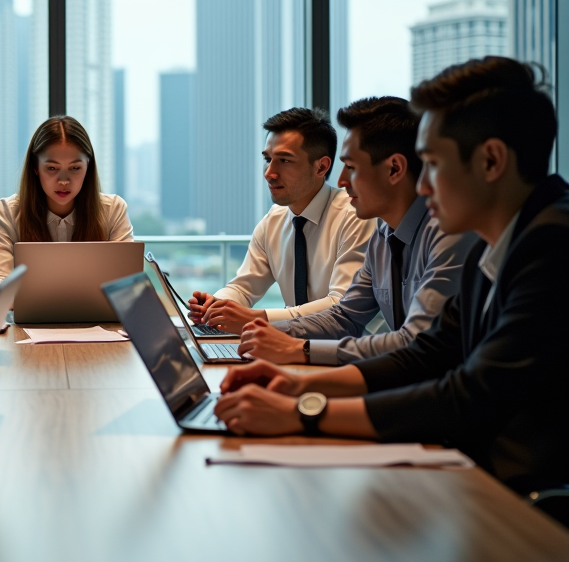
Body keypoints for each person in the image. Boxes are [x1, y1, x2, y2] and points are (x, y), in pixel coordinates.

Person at [214, 58, 568, 494]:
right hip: (481, 474)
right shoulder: (498, 241)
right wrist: (293, 385)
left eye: (433, 164)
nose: (422, 187)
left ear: (491, 161)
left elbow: (468, 395)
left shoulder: (551, 245)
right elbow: (430, 352)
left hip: (528, 501)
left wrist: (305, 410)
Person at [238, 96, 476, 365]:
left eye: (351, 167)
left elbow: (417, 340)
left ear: (395, 169)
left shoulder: (449, 234)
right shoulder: (383, 237)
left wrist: (301, 350)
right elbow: (345, 317)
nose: (340, 181)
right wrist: (262, 333)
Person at [189, 107, 375, 334]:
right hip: (290, 346)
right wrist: (216, 305)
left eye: (284, 160)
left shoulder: (355, 215)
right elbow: (244, 288)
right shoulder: (274, 221)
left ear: (321, 167)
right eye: (268, 159)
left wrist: (259, 318)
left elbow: (341, 304)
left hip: (352, 351)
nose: (269, 172)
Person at [0, 116, 133, 307]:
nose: (63, 181)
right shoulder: (8, 212)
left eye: (75, 168)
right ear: (35, 167)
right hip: (26, 332)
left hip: (99, 330)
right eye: (52, 168)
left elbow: (129, 290)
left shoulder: (113, 210)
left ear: (88, 167)